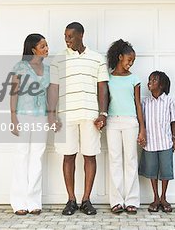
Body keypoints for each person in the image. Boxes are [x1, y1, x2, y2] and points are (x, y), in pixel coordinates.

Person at [47, 22, 109, 215]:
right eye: (65, 36)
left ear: (81, 35)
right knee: (69, 156)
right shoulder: (58, 59)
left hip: (90, 115)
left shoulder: (97, 58)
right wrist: (52, 113)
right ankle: (71, 200)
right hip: (66, 115)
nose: (67, 40)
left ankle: (86, 200)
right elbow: (53, 88)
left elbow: (103, 88)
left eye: (70, 36)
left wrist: (103, 113)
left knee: (90, 156)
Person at [9, 33, 50, 216]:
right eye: (43, 46)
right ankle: (19, 203)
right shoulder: (20, 67)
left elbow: (50, 95)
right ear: (33, 49)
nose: (46, 49)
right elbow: (14, 93)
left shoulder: (48, 69)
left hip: (41, 117)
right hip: (23, 116)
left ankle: (34, 202)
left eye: (46, 45)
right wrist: (13, 117)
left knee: (37, 159)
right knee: (21, 157)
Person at [105, 39, 146, 214]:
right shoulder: (108, 77)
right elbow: (105, 102)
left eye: (133, 61)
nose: (130, 64)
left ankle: (132, 201)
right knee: (115, 161)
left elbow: (138, 104)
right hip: (113, 122)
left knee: (130, 160)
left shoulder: (135, 79)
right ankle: (116, 201)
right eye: (128, 60)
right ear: (120, 57)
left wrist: (142, 128)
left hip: (131, 122)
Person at [138, 71, 175, 213]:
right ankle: (155, 198)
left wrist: (173, 137)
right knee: (152, 171)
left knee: (165, 171)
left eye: (154, 80)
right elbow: (141, 121)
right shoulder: (145, 102)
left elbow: (173, 121)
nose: (150, 82)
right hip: (150, 144)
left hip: (165, 142)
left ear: (161, 85)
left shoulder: (168, 101)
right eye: (149, 79)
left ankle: (163, 197)